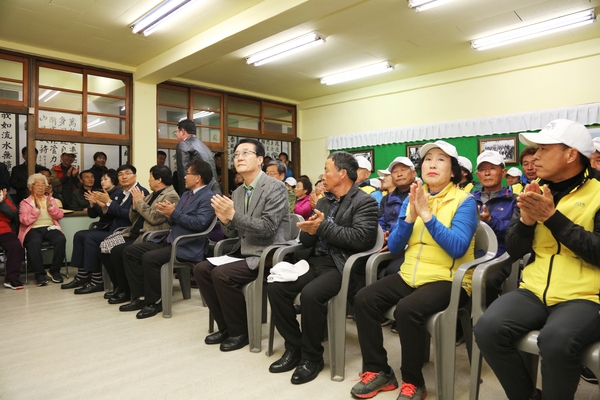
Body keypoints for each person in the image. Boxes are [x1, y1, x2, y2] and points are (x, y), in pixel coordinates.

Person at [473, 119, 600, 400]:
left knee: (555, 342)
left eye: (543, 149)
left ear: (570, 154)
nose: (535, 157)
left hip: (585, 295)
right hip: (533, 288)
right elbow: (516, 250)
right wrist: (527, 222)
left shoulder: (599, 193)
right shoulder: (534, 189)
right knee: (487, 328)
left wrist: (552, 219)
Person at [350, 140, 477, 400]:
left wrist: (427, 215)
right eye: (428, 159)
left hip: (448, 279)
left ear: (453, 171)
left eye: (441, 159)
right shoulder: (415, 198)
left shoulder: (465, 201)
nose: (432, 163)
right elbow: (395, 246)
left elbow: (457, 248)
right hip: (411, 274)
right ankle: (378, 370)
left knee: (408, 309)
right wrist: (410, 216)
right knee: (364, 299)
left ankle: (413, 381)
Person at [267, 151, 379, 385]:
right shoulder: (324, 201)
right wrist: (308, 230)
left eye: (327, 170)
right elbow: (310, 239)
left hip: (341, 266)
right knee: (276, 286)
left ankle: (312, 357)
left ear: (343, 173)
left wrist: (322, 227)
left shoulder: (365, 202)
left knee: (311, 294)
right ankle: (294, 347)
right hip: (314, 260)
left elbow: (361, 239)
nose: (323, 175)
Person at [194, 138, 290, 352]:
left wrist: (233, 216)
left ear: (260, 159)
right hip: (244, 251)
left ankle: (241, 332)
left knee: (222, 275)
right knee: (201, 269)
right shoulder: (237, 192)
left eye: (245, 153)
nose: (239, 157)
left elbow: (268, 227)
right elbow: (232, 232)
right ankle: (226, 326)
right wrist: (225, 219)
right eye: (236, 154)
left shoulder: (275, 188)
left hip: (267, 254)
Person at [120, 159, 215, 319]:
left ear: (197, 178)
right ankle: (140, 297)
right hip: (170, 240)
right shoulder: (186, 194)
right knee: (130, 251)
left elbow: (199, 224)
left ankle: (155, 302)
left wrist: (173, 213)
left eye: (188, 173)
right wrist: (169, 214)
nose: (184, 177)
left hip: (186, 245)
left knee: (150, 258)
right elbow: (174, 220)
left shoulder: (209, 197)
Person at [101, 165, 179, 304]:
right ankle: (120, 286)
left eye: (150, 177)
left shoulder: (171, 195)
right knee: (104, 247)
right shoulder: (151, 195)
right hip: (133, 233)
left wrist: (140, 203)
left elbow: (154, 218)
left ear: (159, 179)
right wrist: (134, 206)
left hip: (148, 236)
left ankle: (128, 290)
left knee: (119, 251)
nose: (148, 181)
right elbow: (133, 218)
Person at [61, 169, 138, 294]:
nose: (102, 182)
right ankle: (82, 275)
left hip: (114, 229)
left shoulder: (117, 194)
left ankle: (97, 280)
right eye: (101, 179)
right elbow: (93, 215)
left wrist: (101, 203)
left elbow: (111, 215)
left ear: (113, 181)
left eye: (105, 179)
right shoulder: (103, 193)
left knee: (90, 237)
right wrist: (92, 204)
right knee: (79, 235)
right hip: (106, 227)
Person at [471, 150, 516, 305]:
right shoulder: (469, 200)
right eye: (483, 169)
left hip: (500, 256)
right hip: (470, 254)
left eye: (492, 168)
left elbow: (515, 230)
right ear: (478, 174)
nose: (487, 173)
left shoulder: (513, 200)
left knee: (487, 280)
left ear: (503, 173)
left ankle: (485, 317)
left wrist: (491, 221)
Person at [18, 173, 67, 286]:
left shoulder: (51, 199)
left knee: (60, 239)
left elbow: (59, 216)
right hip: (33, 229)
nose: (40, 187)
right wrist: (36, 210)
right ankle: (39, 274)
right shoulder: (25, 203)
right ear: (30, 187)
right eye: (37, 184)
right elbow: (23, 220)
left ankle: (54, 271)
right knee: (34, 242)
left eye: (43, 184)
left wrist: (50, 207)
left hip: (50, 227)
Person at [175, 118, 221, 195]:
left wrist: (184, 198)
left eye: (176, 132)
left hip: (198, 192)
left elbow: (183, 174)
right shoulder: (204, 146)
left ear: (182, 131)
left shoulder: (184, 144)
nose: (176, 135)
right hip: (213, 190)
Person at [0, 181, 25, 290]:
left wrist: (1, 202)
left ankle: (12, 278)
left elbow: (13, 214)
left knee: (15, 244)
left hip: (3, 230)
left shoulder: (5, 197)